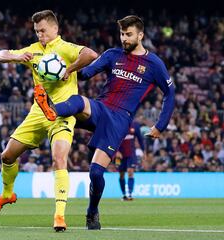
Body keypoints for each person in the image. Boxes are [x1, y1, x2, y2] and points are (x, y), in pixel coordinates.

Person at [34, 15, 175, 230]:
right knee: (78, 101)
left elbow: (170, 92)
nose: (124, 38)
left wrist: (160, 125)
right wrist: (68, 70)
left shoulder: (153, 64)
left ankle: (92, 211)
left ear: (140, 35)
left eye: (128, 34)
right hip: (100, 108)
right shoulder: (112, 55)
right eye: (122, 34)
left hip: (119, 120)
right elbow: (87, 74)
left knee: (96, 173)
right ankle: (52, 111)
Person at [0, 10, 98, 232]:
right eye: (37, 31)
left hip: (62, 113)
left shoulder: (65, 48)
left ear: (55, 29)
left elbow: (92, 55)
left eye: (43, 31)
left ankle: (59, 216)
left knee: (59, 159)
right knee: (7, 155)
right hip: (38, 113)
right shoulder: (33, 50)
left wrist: (69, 69)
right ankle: (7, 195)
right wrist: (16, 57)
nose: (40, 35)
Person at [116, 120, 145, 201]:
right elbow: (113, 139)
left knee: (130, 172)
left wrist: (143, 150)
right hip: (119, 155)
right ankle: (124, 194)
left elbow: (140, 138)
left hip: (131, 153)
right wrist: (116, 151)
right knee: (121, 174)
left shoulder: (135, 125)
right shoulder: (117, 123)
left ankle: (129, 193)